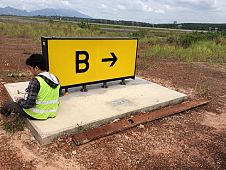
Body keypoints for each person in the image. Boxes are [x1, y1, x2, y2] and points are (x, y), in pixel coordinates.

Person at [0, 54, 61, 120]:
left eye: (30, 68)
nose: (30, 70)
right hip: (52, 113)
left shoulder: (36, 81)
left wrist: (19, 100)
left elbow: (28, 104)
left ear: (36, 68)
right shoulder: (55, 78)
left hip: (36, 114)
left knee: (7, 104)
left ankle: (4, 118)